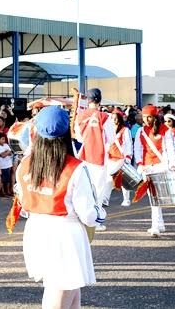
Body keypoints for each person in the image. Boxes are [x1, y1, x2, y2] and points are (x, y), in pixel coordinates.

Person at [18, 106, 106, 309]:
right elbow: (89, 214)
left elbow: (23, 202)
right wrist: (102, 214)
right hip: (65, 234)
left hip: (35, 230)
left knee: (71, 289)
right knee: (60, 291)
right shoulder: (75, 167)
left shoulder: (24, 163)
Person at [73, 88, 115, 232]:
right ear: (99, 100)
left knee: (85, 187)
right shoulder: (104, 116)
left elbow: (78, 138)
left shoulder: (80, 116)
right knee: (98, 190)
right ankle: (95, 221)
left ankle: (83, 217)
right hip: (98, 157)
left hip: (83, 156)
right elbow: (112, 138)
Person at [134, 105, 175, 236]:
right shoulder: (140, 131)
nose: (146, 120)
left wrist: (173, 165)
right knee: (153, 196)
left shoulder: (165, 130)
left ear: (155, 117)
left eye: (149, 117)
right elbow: (138, 149)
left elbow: (169, 148)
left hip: (161, 165)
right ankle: (159, 224)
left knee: (155, 196)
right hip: (146, 166)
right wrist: (140, 164)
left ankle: (155, 226)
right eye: (144, 117)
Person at [103, 109, 133, 207]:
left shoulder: (125, 130)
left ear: (119, 119)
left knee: (123, 180)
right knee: (108, 179)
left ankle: (126, 199)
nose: (113, 120)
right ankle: (105, 199)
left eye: (115, 118)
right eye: (112, 118)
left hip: (121, 158)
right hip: (110, 158)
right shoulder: (108, 130)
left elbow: (129, 144)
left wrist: (128, 156)